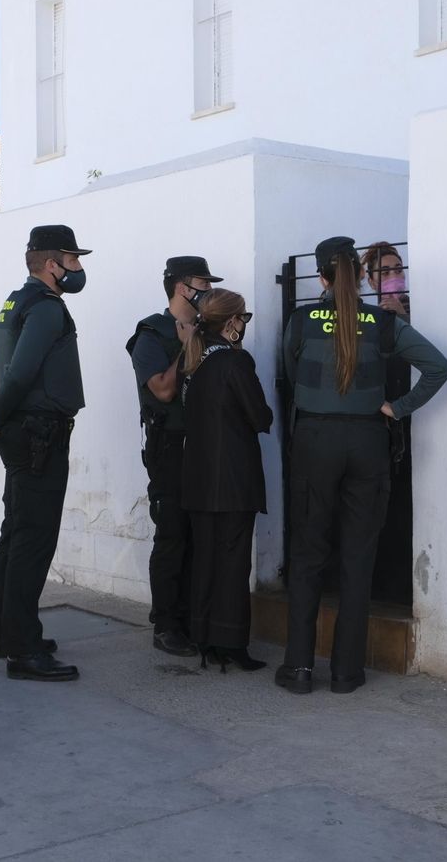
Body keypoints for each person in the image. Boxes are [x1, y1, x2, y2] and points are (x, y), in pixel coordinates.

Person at [276, 236, 447, 695]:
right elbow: (438, 367)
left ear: (321, 277)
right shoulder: (382, 323)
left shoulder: (300, 320)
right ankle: (346, 672)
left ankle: (297, 668)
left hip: (316, 440)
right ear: (358, 274)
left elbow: (291, 378)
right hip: (367, 441)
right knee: (358, 557)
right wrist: (399, 406)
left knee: (308, 557)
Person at [0, 224, 91, 682]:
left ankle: (6, 632)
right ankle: (23, 650)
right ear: (52, 264)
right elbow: (20, 372)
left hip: (20, 431)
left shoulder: (14, 302)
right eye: (74, 260)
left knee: (16, 530)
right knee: (33, 539)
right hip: (38, 431)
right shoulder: (45, 307)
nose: (79, 268)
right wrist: (0, 417)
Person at [125, 255, 222, 657]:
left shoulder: (207, 328)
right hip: (170, 448)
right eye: (203, 283)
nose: (208, 291)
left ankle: (194, 619)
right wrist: (187, 347)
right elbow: (163, 390)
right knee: (172, 537)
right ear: (183, 287)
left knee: (201, 538)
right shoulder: (152, 333)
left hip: (205, 446)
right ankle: (165, 624)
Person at [178, 288, 272, 672]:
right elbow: (260, 417)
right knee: (233, 564)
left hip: (197, 479)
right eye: (244, 318)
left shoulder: (193, 362)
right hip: (233, 481)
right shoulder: (236, 363)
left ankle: (202, 638)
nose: (244, 324)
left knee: (205, 560)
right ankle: (231, 643)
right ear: (231, 322)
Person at [361, 241, 410, 319]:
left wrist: (402, 314)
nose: (394, 276)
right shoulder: (371, 317)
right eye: (385, 273)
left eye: (399, 270)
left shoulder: (417, 307)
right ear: (371, 283)